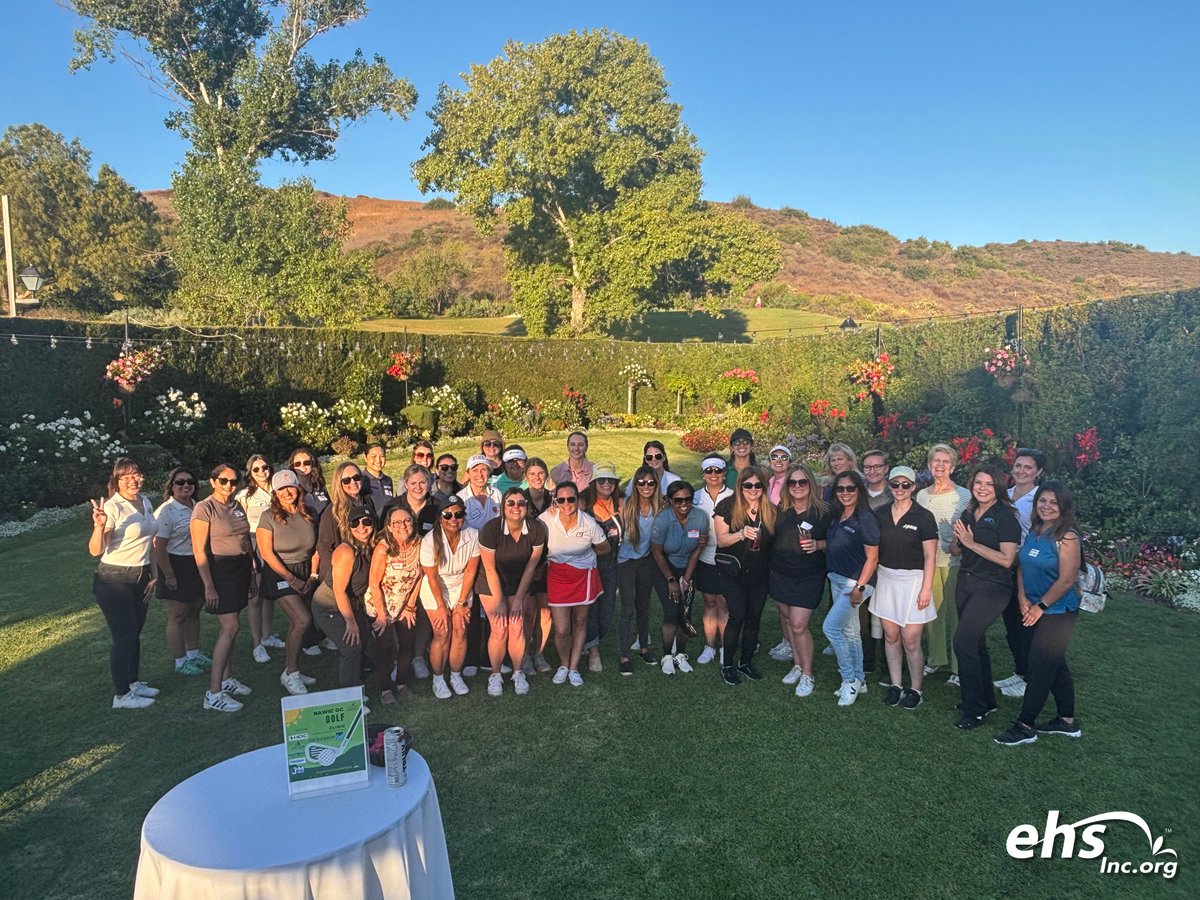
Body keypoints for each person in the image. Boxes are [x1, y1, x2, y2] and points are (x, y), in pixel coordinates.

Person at [994, 482, 1085, 746]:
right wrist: (1022, 598)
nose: (1046, 506)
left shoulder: (1067, 538)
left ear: (1064, 507)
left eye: (1053, 502)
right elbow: (1022, 566)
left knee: (1040, 667)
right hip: (1032, 606)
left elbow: (1066, 580)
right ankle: (1067, 721)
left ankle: (1025, 726)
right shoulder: (1036, 530)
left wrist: (1040, 607)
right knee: (1055, 664)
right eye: (1042, 501)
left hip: (1058, 611)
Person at [950, 464, 1021, 730]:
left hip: (992, 587)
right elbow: (956, 551)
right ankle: (986, 701)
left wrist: (971, 543)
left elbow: (1007, 559)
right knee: (976, 644)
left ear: (998, 488)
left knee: (963, 642)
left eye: (989, 484)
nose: (982, 488)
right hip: (966, 582)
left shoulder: (1006, 517)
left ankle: (975, 709)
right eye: (978, 482)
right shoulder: (969, 512)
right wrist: (958, 540)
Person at [89, 458, 160, 709]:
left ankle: (133, 682)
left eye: (136, 474)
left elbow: (150, 543)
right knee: (124, 636)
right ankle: (121, 695)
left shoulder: (145, 501)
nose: (133, 480)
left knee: (134, 633)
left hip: (140, 577)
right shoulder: (112, 507)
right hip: (114, 579)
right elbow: (95, 550)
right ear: (116, 481)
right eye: (126, 477)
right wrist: (98, 526)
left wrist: (153, 575)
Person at [872, 466, 938, 710]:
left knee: (911, 640)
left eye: (905, 484)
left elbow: (930, 556)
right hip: (886, 579)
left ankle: (916, 689)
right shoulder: (880, 514)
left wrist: (925, 589)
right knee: (891, 636)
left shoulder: (924, 516)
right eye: (895, 484)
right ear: (889, 485)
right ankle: (896, 685)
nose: (900, 489)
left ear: (913, 487)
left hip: (914, 582)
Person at [191, 463, 255, 713]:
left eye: (233, 481)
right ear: (213, 481)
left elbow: (244, 539)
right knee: (230, 627)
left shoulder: (236, 505)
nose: (229, 485)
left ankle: (226, 679)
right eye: (224, 481)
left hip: (240, 569)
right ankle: (213, 693)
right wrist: (208, 585)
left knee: (233, 628)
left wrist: (252, 573)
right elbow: (199, 550)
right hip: (220, 571)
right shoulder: (204, 508)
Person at [477, 487, 546, 696]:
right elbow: (489, 568)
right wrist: (500, 601)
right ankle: (495, 674)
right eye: (511, 503)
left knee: (516, 625)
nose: (516, 507)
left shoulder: (536, 529)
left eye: (521, 503)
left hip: (519, 581)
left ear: (527, 507)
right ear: (503, 507)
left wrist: (518, 599)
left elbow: (531, 567)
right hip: (492, 581)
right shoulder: (490, 529)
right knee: (499, 627)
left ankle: (517, 672)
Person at [256, 469, 319, 696]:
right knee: (302, 619)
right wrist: (291, 579)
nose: (286, 492)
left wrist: (312, 575)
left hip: (304, 571)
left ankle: (292, 670)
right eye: (281, 489)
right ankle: (291, 672)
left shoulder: (309, 513)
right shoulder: (268, 516)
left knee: (297, 623)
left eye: (290, 486)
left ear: (297, 488)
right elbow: (266, 553)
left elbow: (315, 549)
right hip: (279, 573)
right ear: (275, 492)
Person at [540, 481, 610, 686]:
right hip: (557, 574)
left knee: (580, 621)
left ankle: (574, 667)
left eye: (570, 499)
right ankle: (563, 664)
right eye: (561, 500)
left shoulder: (588, 523)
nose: (566, 504)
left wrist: (585, 556)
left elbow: (605, 548)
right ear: (555, 501)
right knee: (561, 629)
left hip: (583, 575)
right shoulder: (545, 519)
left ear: (578, 500)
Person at [769, 463, 828, 698]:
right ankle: (797, 664)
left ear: (810, 484)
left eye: (802, 482)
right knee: (787, 619)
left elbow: (838, 540)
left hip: (808, 576)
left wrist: (819, 544)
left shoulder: (823, 512)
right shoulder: (780, 510)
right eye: (792, 482)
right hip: (781, 573)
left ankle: (807, 674)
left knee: (799, 625)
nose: (797, 486)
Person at [713, 466, 776, 685]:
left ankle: (745, 662)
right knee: (737, 615)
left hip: (760, 573)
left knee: (754, 617)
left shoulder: (770, 510)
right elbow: (721, 540)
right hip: (734, 572)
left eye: (758, 485)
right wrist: (741, 534)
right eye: (748, 485)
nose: (753, 489)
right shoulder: (727, 506)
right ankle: (728, 665)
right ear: (740, 485)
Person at [822, 469, 879, 707]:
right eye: (840, 489)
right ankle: (860, 679)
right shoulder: (838, 514)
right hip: (836, 578)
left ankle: (849, 680)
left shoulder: (865, 517)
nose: (845, 493)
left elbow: (872, 558)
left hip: (854, 584)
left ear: (859, 490)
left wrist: (860, 587)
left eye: (850, 488)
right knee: (851, 632)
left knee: (831, 628)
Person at [916, 443, 970, 687]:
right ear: (929, 465)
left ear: (953, 467)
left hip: (954, 562)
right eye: (936, 461)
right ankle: (936, 658)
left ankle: (959, 668)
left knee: (956, 615)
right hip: (927, 563)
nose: (940, 465)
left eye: (945, 461)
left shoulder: (964, 496)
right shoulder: (921, 496)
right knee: (932, 613)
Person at [996, 447, 1047, 700]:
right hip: (1005, 566)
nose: (1022, 471)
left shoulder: (1041, 500)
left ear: (1039, 472)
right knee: (1011, 623)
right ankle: (1019, 671)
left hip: (1028, 568)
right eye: (1018, 466)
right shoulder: (1004, 495)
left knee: (1027, 623)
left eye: (1028, 467)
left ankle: (1031, 678)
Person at [420, 496, 482, 699]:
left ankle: (455, 675)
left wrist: (462, 602)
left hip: (461, 586)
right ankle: (438, 679)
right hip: (436, 588)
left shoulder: (473, 535)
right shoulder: (429, 541)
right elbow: (431, 577)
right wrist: (441, 606)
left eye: (458, 514)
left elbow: (471, 571)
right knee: (442, 632)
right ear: (440, 517)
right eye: (447, 515)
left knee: (460, 630)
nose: (453, 519)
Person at [311, 503, 376, 690]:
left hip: (351, 601)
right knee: (351, 645)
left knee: (363, 637)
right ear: (349, 527)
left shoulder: (371, 546)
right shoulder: (346, 551)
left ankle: (359, 674)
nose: (361, 527)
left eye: (366, 522)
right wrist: (350, 622)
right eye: (355, 523)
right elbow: (339, 591)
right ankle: (350, 693)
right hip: (328, 604)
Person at [152, 467, 210, 677]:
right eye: (180, 482)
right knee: (178, 615)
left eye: (190, 481)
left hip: (197, 562)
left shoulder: (198, 506)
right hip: (175, 563)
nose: (186, 485)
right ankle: (180, 661)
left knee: (194, 611)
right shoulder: (167, 511)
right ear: (171, 486)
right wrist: (169, 575)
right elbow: (158, 546)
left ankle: (193, 654)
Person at [367, 505, 425, 705]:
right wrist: (381, 614)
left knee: (408, 643)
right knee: (386, 647)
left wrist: (410, 606)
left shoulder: (419, 544)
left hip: (404, 605)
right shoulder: (384, 548)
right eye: (397, 523)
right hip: (379, 604)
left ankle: (401, 683)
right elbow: (374, 582)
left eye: (407, 521)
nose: (403, 526)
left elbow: (420, 576)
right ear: (390, 527)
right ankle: (384, 689)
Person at [650, 480, 708, 675]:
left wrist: (687, 578)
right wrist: (671, 580)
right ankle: (667, 655)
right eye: (678, 500)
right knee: (671, 611)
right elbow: (656, 552)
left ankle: (681, 654)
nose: (684, 504)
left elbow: (697, 549)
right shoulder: (662, 520)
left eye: (688, 499)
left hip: (688, 565)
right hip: (665, 566)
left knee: (685, 611)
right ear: (670, 501)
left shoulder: (701, 517)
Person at [616, 466, 663, 674]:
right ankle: (624, 656)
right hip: (625, 561)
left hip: (645, 560)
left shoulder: (659, 507)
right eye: (641, 482)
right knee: (627, 608)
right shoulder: (625, 505)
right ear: (635, 484)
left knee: (644, 606)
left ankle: (644, 647)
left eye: (651, 482)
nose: (646, 486)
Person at [580, 463, 622, 672]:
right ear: (594, 483)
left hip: (611, 565)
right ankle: (593, 651)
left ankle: (590, 641)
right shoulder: (584, 505)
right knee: (590, 609)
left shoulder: (621, 504)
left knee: (607, 609)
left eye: (610, 480)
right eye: (602, 480)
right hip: (588, 565)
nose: (606, 484)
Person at [236, 454, 277, 663]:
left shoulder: (278, 489)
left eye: (265, 467)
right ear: (250, 473)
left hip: (276, 542)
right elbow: (239, 527)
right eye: (257, 469)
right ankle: (256, 644)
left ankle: (267, 636)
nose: (262, 472)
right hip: (255, 543)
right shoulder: (244, 495)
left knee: (270, 594)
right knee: (255, 597)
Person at [692, 457, 733, 666]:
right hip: (705, 555)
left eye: (718, 470)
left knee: (724, 603)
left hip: (727, 556)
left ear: (724, 473)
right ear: (703, 474)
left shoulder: (733, 496)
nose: (713, 474)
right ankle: (709, 646)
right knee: (709, 602)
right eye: (709, 471)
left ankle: (725, 647)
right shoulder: (696, 497)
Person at [522, 456, 554, 673]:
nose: (537, 477)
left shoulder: (554, 498)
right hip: (527, 562)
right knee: (528, 611)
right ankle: (524, 655)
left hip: (550, 561)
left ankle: (539, 654)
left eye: (540, 473)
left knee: (545, 612)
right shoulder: (520, 499)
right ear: (526, 476)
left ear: (546, 475)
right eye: (532, 474)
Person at [289, 446, 329, 518]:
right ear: (293, 466)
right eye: (297, 463)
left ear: (313, 464)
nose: (302, 465)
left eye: (306, 462)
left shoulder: (319, 486)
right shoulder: (291, 490)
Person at [361, 443, 395, 511]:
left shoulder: (387, 480)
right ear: (365, 457)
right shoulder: (360, 481)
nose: (378, 460)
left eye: (382, 456)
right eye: (374, 456)